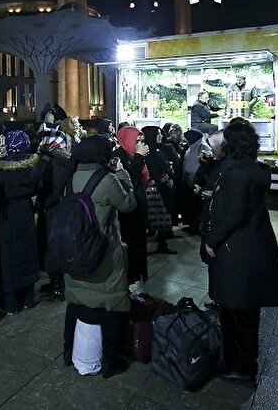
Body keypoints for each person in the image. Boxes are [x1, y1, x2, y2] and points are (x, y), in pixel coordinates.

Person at [200, 121, 278, 388]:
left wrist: (212, 240)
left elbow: (233, 215)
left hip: (239, 254)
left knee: (238, 315)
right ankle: (239, 362)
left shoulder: (237, 174)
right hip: (251, 250)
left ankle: (242, 368)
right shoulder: (249, 169)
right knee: (243, 314)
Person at [62, 134, 137, 379]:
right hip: (103, 255)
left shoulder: (71, 176)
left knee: (76, 301)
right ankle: (111, 362)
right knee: (111, 306)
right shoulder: (107, 179)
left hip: (75, 253)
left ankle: (67, 353)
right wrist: (124, 174)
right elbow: (128, 205)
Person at [0, 128, 41, 314]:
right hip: (25, 214)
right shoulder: (33, 167)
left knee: (8, 256)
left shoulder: (0, 170)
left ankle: (10, 303)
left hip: (5, 216)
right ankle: (28, 298)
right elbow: (38, 188)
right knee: (26, 253)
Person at [35, 128, 74, 301]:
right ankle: (59, 282)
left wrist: (44, 204)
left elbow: (49, 187)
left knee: (49, 248)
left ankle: (57, 285)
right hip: (62, 210)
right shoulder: (66, 160)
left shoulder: (50, 162)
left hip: (51, 210)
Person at [114, 125, 150, 291]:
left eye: (142, 141)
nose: (141, 144)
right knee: (130, 246)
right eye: (137, 141)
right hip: (127, 213)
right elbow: (128, 180)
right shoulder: (118, 157)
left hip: (138, 209)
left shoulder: (135, 156)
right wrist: (138, 157)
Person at [141, 125, 177, 254]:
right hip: (158, 189)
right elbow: (158, 172)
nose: (161, 136)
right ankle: (161, 244)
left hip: (159, 188)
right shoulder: (152, 153)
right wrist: (169, 182)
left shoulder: (155, 150)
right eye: (157, 134)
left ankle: (161, 243)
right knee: (161, 216)